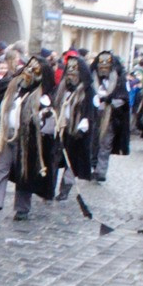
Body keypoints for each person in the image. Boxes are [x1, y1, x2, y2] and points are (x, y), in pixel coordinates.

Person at [0, 56, 58, 221]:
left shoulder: (41, 98)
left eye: (35, 70)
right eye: (28, 68)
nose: (29, 72)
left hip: (27, 140)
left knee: (24, 172)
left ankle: (22, 208)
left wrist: (44, 116)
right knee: (0, 168)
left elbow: (47, 123)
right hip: (6, 135)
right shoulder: (13, 88)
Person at [53, 53, 97, 202]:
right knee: (54, 158)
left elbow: (89, 112)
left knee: (71, 161)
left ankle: (64, 190)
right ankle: (49, 188)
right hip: (60, 127)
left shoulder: (87, 91)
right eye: (69, 72)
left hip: (76, 130)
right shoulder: (62, 88)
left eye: (74, 72)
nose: (71, 76)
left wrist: (82, 127)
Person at [90, 51, 131, 183]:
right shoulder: (92, 78)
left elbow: (123, 99)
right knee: (93, 141)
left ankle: (101, 171)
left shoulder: (119, 80)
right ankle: (93, 164)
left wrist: (109, 101)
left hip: (111, 116)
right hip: (93, 114)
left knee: (105, 143)